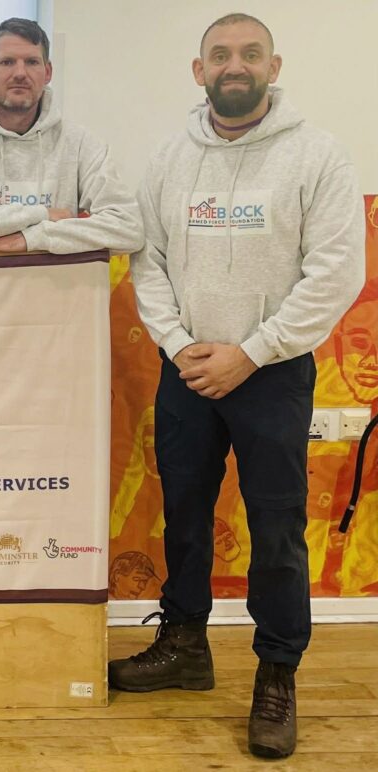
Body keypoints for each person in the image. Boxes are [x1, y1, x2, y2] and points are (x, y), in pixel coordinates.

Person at [115, 14, 365, 759]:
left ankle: (277, 673)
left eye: (250, 54)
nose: (235, 66)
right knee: (185, 516)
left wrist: (251, 354)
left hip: (273, 373)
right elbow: (148, 262)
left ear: (272, 66)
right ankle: (186, 646)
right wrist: (180, 346)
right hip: (187, 367)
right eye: (220, 55)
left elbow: (335, 275)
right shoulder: (168, 159)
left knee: (277, 529)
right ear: (199, 72)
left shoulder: (318, 155)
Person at [0, 17, 143, 255]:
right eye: (7, 62)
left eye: (32, 62)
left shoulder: (80, 144)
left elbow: (128, 228)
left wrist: (36, 237)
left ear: (47, 72)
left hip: (58, 281)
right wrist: (42, 213)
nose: (20, 73)